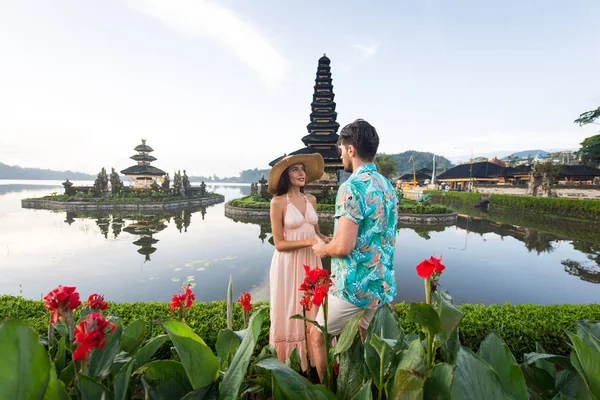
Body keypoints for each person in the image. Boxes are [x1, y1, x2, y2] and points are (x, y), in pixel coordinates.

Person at [311, 119, 398, 381]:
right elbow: (376, 234)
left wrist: (322, 248)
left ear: (351, 150)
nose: (340, 155)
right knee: (367, 344)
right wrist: (335, 239)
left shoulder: (351, 187)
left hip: (354, 288)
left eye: (341, 149)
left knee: (317, 335)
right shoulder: (387, 186)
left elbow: (343, 246)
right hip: (381, 285)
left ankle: (328, 391)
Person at [268, 153, 331, 371]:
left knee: (315, 308)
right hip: (288, 265)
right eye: (295, 169)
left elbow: (316, 232)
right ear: (286, 175)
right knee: (290, 308)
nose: (301, 173)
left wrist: (328, 240)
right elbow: (279, 243)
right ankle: (292, 362)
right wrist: (311, 240)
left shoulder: (310, 199)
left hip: (312, 261)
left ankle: (316, 357)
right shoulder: (277, 202)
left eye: (302, 169)